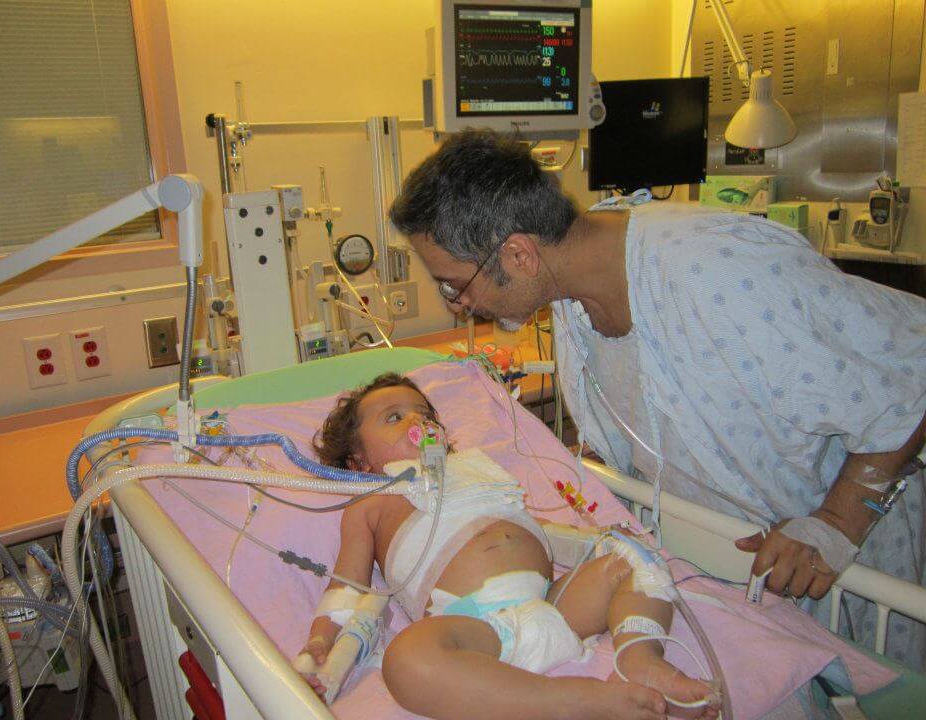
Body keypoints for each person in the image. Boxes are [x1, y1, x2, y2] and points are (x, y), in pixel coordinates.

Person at [388, 129, 926, 669]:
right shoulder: (575, 295)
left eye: (455, 284)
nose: (457, 306)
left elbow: (912, 377)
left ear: (520, 254)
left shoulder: (719, 273)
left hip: (841, 565)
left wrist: (837, 522)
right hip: (737, 571)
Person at [299, 373, 719, 720]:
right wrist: (320, 642)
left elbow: (529, 524)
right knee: (407, 659)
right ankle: (570, 701)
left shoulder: (474, 469)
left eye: (425, 413)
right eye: (394, 417)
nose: (418, 421)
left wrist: (599, 543)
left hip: (554, 605)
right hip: (475, 629)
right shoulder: (372, 503)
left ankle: (641, 657)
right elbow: (347, 587)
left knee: (632, 562)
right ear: (358, 463)